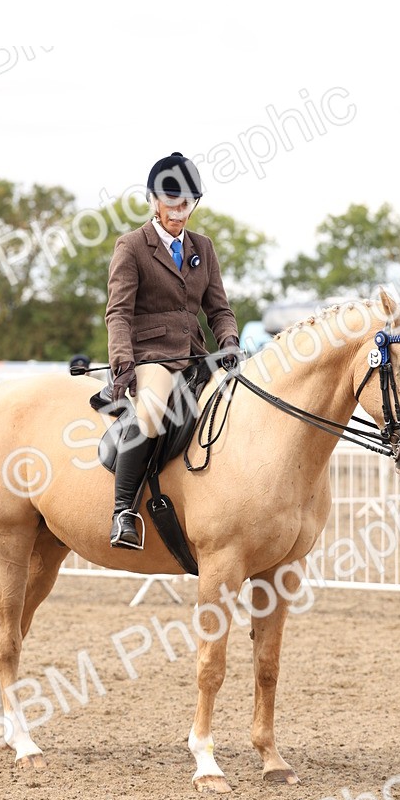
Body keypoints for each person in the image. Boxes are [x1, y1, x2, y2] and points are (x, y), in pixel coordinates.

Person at [105, 151, 241, 548]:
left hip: (198, 355)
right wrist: (123, 363)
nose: (179, 214)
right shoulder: (131, 247)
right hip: (152, 357)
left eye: (187, 205)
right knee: (150, 411)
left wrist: (229, 341)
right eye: (171, 204)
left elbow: (219, 308)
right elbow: (117, 313)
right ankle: (123, 512)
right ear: (152, 201)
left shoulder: (204, 247)